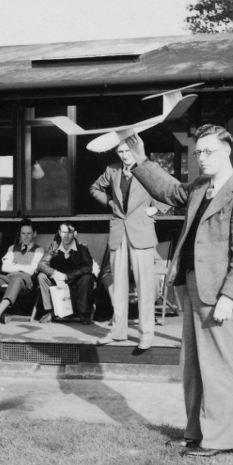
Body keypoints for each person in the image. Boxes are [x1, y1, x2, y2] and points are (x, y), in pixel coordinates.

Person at [127, 125, 233, 458]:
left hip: (217, 293)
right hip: (191, 284)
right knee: (192, 367)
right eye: (198, 152)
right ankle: (195, 433)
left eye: (208, 151)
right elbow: (169, 191)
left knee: (217, 367)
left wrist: (229, 297)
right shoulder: (201, 187)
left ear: (227, 151)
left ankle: (220, 440)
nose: (201, 158)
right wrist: (140, 160)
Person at [90, 141, 170, 350]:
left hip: (142, 230)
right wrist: (109, 203)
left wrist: (157, 209)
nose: (125, 155)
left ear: (135, 150)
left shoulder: (149, 168)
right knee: (118, 284)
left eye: (128, 151)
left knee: (145, 283)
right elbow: (95, 188)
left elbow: (171, 189)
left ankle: (146, 334)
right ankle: (117, 332)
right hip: (119, 230)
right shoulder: (112, 170)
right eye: (121, 151)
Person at [0, 218, 44, 327]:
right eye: (23, 233)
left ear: (34, 234)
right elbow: (5, 267)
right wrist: (22, 267)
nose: (25, 237)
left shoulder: (39, 250)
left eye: (29, 233)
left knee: (17, 280)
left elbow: (32, 269)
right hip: (9, 277)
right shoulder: (12, 248)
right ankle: (1, 312)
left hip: (26, 280)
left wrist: (14, 265)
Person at [37, 223, 95, 325]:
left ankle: (83, 313)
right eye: (63, 232)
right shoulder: (54, 246)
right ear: (59, 233)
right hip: (57, 282)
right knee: (41, 276)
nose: (66, 236)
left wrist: (66, 276)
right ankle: (50, 311)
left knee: (87, 278)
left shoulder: (81, 247)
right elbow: (41, 264)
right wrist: (54, 273)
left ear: (75, 233)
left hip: (75, 281)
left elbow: (88, 267)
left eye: (69, 232)